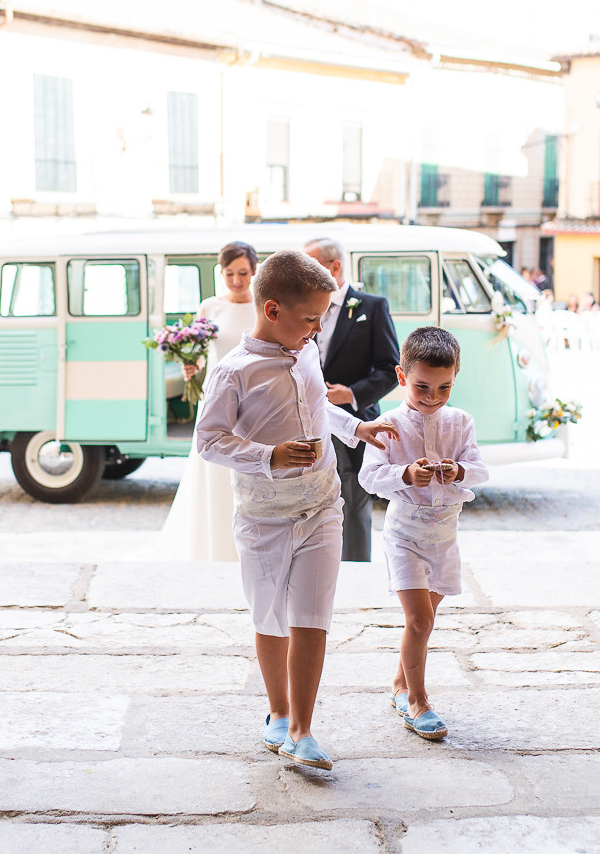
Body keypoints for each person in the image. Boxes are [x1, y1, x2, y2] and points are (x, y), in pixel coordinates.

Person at [195, 250, 399, 771]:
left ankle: (305, 729)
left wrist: (358, 428)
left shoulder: (305, 352)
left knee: (312, 616)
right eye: (310, 318)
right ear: (271, 310)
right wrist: (269, 456)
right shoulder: (233, 373)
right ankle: (279, 713)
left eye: (321, 318)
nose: (316, 328)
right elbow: (208, 441)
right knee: (270, 618)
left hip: (321, 504)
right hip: (264, 517)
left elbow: (319, 406)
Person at [358, 326, 488, 740]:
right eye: (422, 387)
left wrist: (459, 470)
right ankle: (419, 702)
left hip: (445, 537)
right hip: (404, 535)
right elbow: (369, 478)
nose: (432, 397)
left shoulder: (461, 422)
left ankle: (399, 685)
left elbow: (481, 469)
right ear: (401, 377)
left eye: (444, 387)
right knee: (418, 619)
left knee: (426, 620)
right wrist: (405, 474)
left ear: (456, 378)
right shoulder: (388, 424)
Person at [302, 237, 400, 562]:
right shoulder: (302, 306)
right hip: (310, 422)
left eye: (311, 264)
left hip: (356, 421)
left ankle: (356, 572)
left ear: (335, 267)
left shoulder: (371, 307)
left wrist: (353, 393)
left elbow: (390, 369)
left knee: (355, 504)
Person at [161, 241, 259, 561]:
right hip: (216, 400)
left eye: (242, 272)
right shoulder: (210, 306)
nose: (235, 280)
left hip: (253, 402)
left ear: (254, 271)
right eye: (229, 273)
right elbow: (201, 355)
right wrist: (190, 365)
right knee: (212, 471)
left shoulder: (263, 306)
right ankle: (212, 545)